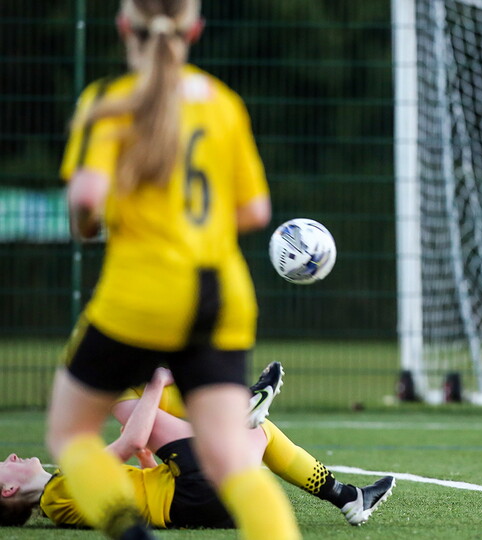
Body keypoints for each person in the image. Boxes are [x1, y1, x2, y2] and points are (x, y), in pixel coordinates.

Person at [49, 1, 300, 538]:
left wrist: (92, 222)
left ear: (124, 27)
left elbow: (88, 198)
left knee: (70, 434)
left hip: (138, 295)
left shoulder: (110, 101)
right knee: (232, 459)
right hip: (220, 295)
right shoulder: (223, 104)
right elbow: (256, 211)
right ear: (196, 29)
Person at [0, 366, 396, 529]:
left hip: (206, 502)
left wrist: (143, 455)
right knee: (136, 397)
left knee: (265, 433)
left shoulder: (61, 494)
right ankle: (235, 410)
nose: (10, 456)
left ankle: (348, 496)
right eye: (2, 465)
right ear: (8, 491)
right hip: (193, 492)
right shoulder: (59, 492)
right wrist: (156, 383)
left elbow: (138, 476)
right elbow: (134, 439)